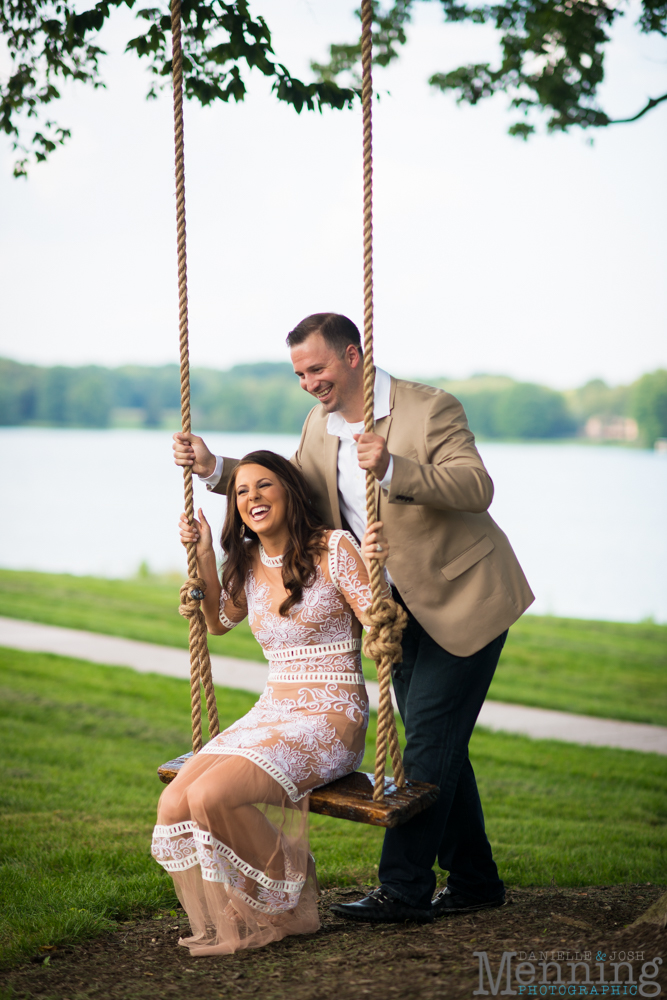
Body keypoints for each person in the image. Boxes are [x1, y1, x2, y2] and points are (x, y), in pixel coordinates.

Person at [173, 312, 535, 924]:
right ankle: (476, 881)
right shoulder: (320, 424)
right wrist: (215, 470)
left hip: (463, 597)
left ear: (352, 355)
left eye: (316, 368)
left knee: (425, 741)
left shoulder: (430, 409)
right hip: (388, 612)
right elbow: (288, 488)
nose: (309, 383)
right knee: (441, 745)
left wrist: (392, 467)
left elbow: (477, 488)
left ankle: (403, 887)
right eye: (299, 373)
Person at [151, 449, 391, 954]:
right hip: (273, 709)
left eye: (264, 486)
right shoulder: (248, 560)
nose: (252, 498)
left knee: (212, 797)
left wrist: (381, 607)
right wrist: (199, 560)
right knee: (175, 801)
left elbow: (379, 623)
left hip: (331, 713)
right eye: (241, 491)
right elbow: (218, 620)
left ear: (289, 491)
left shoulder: (333, 548)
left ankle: (294, 887)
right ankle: (280, 876)